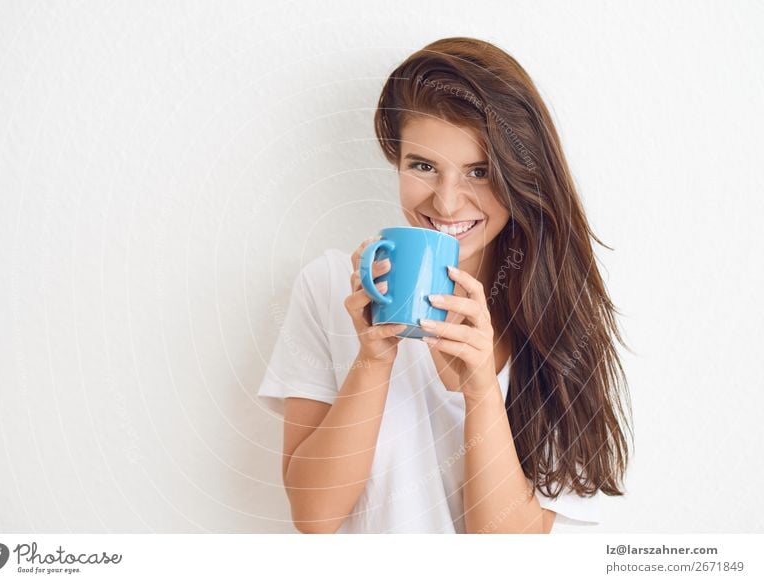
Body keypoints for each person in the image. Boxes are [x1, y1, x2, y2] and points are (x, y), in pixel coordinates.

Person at [257, 37, 633, 534]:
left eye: (480, 171)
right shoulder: (331, 287)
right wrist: (372, 361)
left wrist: (481, 391)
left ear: (523, 175)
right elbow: (313, 513)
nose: (448, 202)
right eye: (423, 166)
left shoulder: (558, 320)